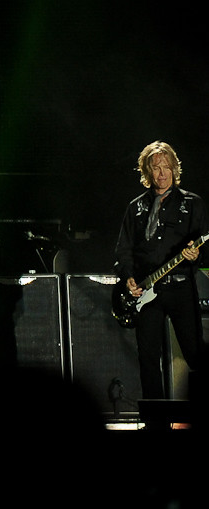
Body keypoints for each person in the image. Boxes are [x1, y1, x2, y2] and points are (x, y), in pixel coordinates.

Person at [114, 140, 207, 400]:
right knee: (148, 359)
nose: (162, 173)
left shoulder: (193, 204)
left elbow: (205, 245)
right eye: (156, 168)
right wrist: (129, 278)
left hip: (180, 288)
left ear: (175, 169)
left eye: (167, 167)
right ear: (147, 172)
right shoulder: (136, 207)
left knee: (195, 352)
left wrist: (197, 254)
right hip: (146, 294)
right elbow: (123, 251)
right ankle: (155, 423)